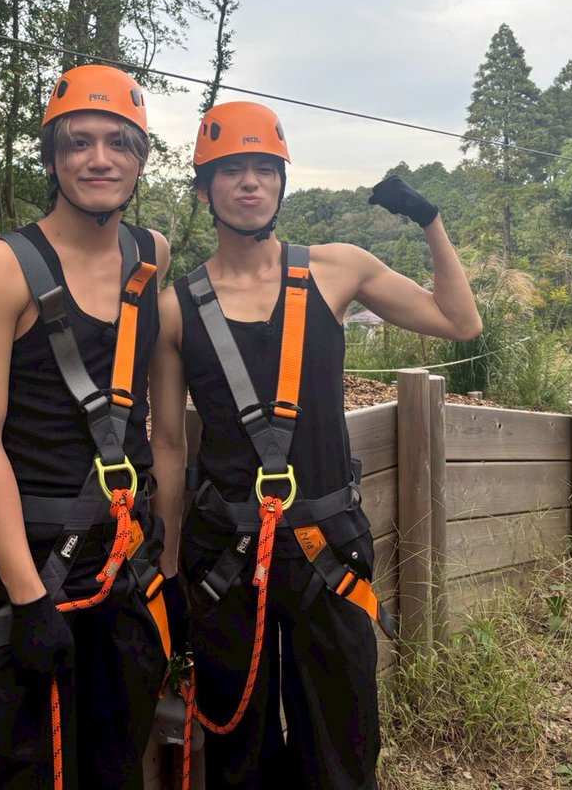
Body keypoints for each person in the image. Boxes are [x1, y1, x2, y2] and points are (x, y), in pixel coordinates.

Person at [149, 101, 482, 790]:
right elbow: (169, 445)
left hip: (328, 545)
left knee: (344, 739)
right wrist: (171, 568)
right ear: (204, 189)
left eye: (264, 170)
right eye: (231, 171)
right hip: (225, 556)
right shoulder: (177, 307)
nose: (249, 183)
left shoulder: (337, 270)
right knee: (236, 748)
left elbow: (459, 322)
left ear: (281, 183)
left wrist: (431, 221)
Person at [0, 64, 171, 790]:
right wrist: (27, 597)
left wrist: (163, 555)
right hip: (33, 558)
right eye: (78, 143)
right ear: (50, 158)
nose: (98, 159)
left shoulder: (150, 255)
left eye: (118, 143)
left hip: (125, 562)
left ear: (140, 159)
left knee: (116, 762)